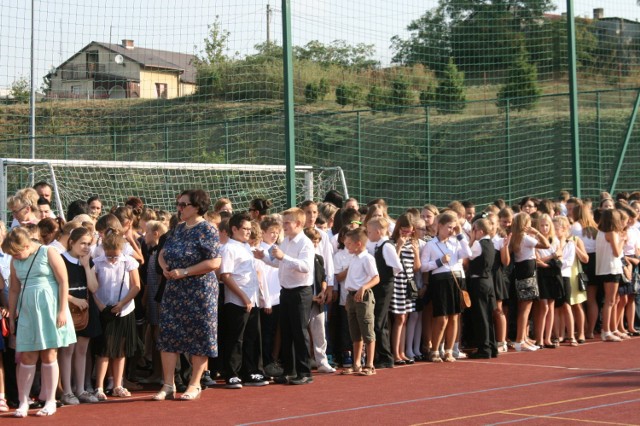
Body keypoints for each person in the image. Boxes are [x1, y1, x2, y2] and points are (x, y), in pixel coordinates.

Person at [155, 189, 221, 400]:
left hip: (200, 291)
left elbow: (214, 262)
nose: (179, 208)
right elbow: (163, 254)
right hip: (174, 289)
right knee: (168, 335)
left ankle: (194, 384)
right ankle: (168, 384)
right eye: (178, 204)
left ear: (197, 207)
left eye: (184, 205)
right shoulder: (177, 229)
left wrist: (184, 271)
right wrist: (165, 267)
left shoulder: (208, 229)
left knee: (199, 336)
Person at [4, 228, 76, 417]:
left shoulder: (48, 252)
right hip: (28, 311)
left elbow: (63, 281)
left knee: (49, 354)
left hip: (50, 309)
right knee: (27, 356)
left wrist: (62, 310)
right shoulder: (14, 260)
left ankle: (50, 400)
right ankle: (23, 402)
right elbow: (13, 289)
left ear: (27, 245)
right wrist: (11, 316)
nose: (15, 257)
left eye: (17, 252)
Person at [254, 207, 315, 385]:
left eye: (287, 222)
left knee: (299, 331)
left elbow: (305, 267)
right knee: (287, 332)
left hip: (300, 292)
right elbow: (278, 264)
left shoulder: (305, 243)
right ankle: (290, 370)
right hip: (286, 291)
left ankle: (304, 372)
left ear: (298, 223)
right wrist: (263, 257)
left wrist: (284, 257)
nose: (283, 225)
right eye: (283, 222)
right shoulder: (286, 241)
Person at [220, 212, 270, 389]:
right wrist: (243, 297)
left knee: (252, 336)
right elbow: (225, 275)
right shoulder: (228, 248)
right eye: (245, 229)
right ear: (234, 229)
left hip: (253, 300)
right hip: (237, 301)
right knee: (236, 338)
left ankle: (251, 370)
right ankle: (232, 373)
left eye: (250, 229)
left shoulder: (246, 247)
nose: (248, 232)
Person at [92, 230, 140, 401]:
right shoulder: (97, 263)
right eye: (109, 256)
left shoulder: (129, 262)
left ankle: (118, 384)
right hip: (104, 309)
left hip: (124, 309)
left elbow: (136, 286)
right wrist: (101, 306)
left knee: (120, 350)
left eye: (115, 256)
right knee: (103, 350)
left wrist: (122, 303)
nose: (112, 259)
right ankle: (99, 386)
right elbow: (93, 287)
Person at [58, 227, 101, 405]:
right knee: (67, 350)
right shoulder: (60, 260)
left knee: (82, 350)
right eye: (82, 243)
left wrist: (85, 266)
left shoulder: (87, 261)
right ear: (72, 242)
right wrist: (73, 300)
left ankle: (80, 389)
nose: (85, 247)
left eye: (88, 244)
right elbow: (57, 288)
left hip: (86, 310)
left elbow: (94, 287)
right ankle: (66, 391)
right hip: (67, 308)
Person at [422, 212, 471, 362]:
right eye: (448, 227)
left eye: (453, 227)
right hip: (440, 281)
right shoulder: (430, 244)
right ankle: (435, 349)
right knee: (441, 317)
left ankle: (449, 350)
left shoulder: (456, 242)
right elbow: (423, 267)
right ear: (440, 226)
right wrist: (439, 262)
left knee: (454, 317)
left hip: (457, 279)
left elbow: (468, 253)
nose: (451, 230)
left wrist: (460, 235)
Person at [341, 227, 379, 376]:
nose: (347, 246)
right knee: (355, 332)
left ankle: (370, 364)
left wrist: (363, 288)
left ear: (358, 244)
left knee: (367, 330)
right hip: (351, 297)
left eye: (349, 244)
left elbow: (376, 277)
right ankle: (356, 363)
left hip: (363, 297)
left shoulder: (367, 258)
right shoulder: (354, 258)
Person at [509, 212, 550, 352]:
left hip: (522, 271)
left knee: (523, 307)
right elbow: (546, 245)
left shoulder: (515, 237)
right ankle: (520, 340)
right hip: (527, 272)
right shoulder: (525, 238)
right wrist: (537, 232)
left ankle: (523, 338)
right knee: (526, 308)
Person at [365, 217, 402, 369]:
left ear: (378, 232)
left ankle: (385, 356)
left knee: (378, 321)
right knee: (381, 320)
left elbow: (397, 267)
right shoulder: (374, 245)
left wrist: (387, 277)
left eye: (369, 232)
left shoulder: (386, 246)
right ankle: (384, 355)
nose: (368, 234)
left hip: (385, 285)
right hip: (378, 285)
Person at [389, 214, 421, 365]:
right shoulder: (392, 242)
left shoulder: (413, 243)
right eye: (404, 230)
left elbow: (417, 268)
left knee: (406, 318)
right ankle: (395, 353)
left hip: (409, 282)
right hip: (397, 282)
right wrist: (399, 246)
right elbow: (392, 264)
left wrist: (415, 252)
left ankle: (402, 352)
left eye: (409, 231)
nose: (407, 233)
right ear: (399, 228)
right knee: (399, 318)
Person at [467, 218, 497, 359]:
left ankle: (484, 348)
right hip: (488, 281)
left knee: (481, 316)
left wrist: (471, 240)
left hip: (479, 281)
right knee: (488, 316)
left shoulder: (478, 244)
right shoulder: (490, 243)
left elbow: (467, 257)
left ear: (479, 231)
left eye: (474, 230)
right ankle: (492, 346)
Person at [595, 209, 625, 342]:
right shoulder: (611, 233)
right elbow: (617, 252)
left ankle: (612, 329)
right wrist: (623, 240)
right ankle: (606, 331)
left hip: (606, 268)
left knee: (613, 300)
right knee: (610, 300)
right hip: (611, 268)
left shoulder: (600, 233)